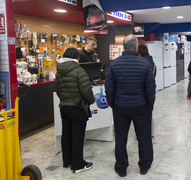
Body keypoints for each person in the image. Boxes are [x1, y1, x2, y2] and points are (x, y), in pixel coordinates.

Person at [105, 35, 156, 177]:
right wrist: (149, 106)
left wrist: (113, 104)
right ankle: (144, 166)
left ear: (123, 47)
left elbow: (109, 87)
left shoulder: (114, 64)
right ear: (135, 47)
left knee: (121, 138)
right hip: (141, 107)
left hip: (120, 107)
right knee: (144, 137)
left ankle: (121, 168)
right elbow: (150, 88)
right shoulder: (145, 63)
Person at [55, 48, 95, 174]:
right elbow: (86, 90)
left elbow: (58, 90)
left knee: (66, 134)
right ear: (76, 58)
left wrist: (65, 100)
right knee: (78, 135)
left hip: (64, 107)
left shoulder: (59, 71)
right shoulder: (79, 70)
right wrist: (91, 101)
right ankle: (78, 164)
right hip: (77, 108)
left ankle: (67, 161)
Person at [138, 44, 156, 144]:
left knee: (146, 116)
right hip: (150, 92)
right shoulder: (151, 61)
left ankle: (148, 136)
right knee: (149, 114)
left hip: (144, 93)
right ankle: (149, 135)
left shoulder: (144, 63)